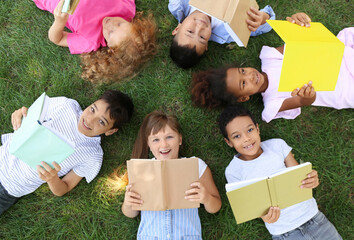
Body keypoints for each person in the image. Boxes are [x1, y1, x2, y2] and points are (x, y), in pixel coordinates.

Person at [191, 13, 354, 122]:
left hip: (336, 55)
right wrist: (308, 95)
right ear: (243, 98)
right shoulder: (272, 103)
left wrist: (299, 23)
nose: (249, 76)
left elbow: (300, 43)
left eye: (242, 71)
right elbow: (303, 101)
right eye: (243, 83)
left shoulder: (269, 57)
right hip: (341, 87)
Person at [0, 90, 134, 215]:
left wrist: (52, 178)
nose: (89, 120)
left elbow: (64, 188)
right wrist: (21, 114)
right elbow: (30, 115)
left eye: (101, 122)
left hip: (10, 187)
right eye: (92, 109)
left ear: (110, 131)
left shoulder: (92, 155)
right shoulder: (66, 106)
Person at [218, 105, 342, 240]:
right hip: (285, 233)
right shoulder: (233, 171)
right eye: (237, 136)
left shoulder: (277, 145)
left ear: (258, 129)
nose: (246, 138)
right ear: (229, 142)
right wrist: (263, 216)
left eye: (250, 130)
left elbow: (299, 176)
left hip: (315, 221)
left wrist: (311, 179)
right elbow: (249, 205)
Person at [121, 111, 221, 239]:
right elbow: (130, 213)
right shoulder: (141, 170)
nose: (164, 144)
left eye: (169, 137)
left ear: (179, 139)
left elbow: (216, 206)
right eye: (156, 140)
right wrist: (128, 203)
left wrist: (206, 198)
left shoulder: (196, 165)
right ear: (148, 144)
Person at [33, 0, 157, 83]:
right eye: (120, 23)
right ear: (132, 24)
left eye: (111, 33)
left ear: (111, 48)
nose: (111, 23)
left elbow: (57, 39)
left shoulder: (89, 41)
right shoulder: (126, 7)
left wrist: (59, 22)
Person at [168, 0, 275, 68]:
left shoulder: (178, 5)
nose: (200, 27)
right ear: (206, 45)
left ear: (178, 28)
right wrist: (262, 18)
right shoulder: (227, 32)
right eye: (202, 37)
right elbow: (268, 24)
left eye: (190, 31)